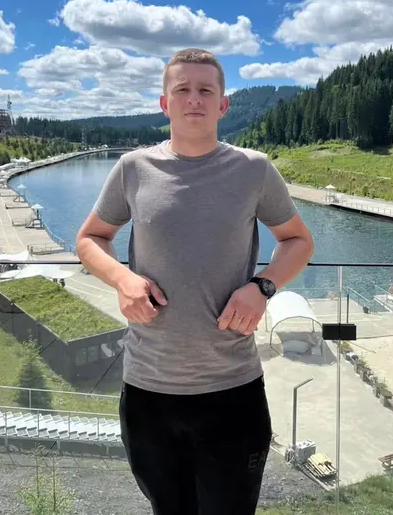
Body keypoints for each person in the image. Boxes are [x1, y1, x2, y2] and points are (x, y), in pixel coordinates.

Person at [76, 48, 314, 515]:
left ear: (223, 105)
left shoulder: (254, 169)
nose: (194, 99)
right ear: (164, 103)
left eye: (206, 90)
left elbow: (298, 241)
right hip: (148, 391)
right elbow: (89, 239)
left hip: (233, 390)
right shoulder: (133, 168)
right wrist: (122, 279)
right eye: (182, 89)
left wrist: (263, 287)